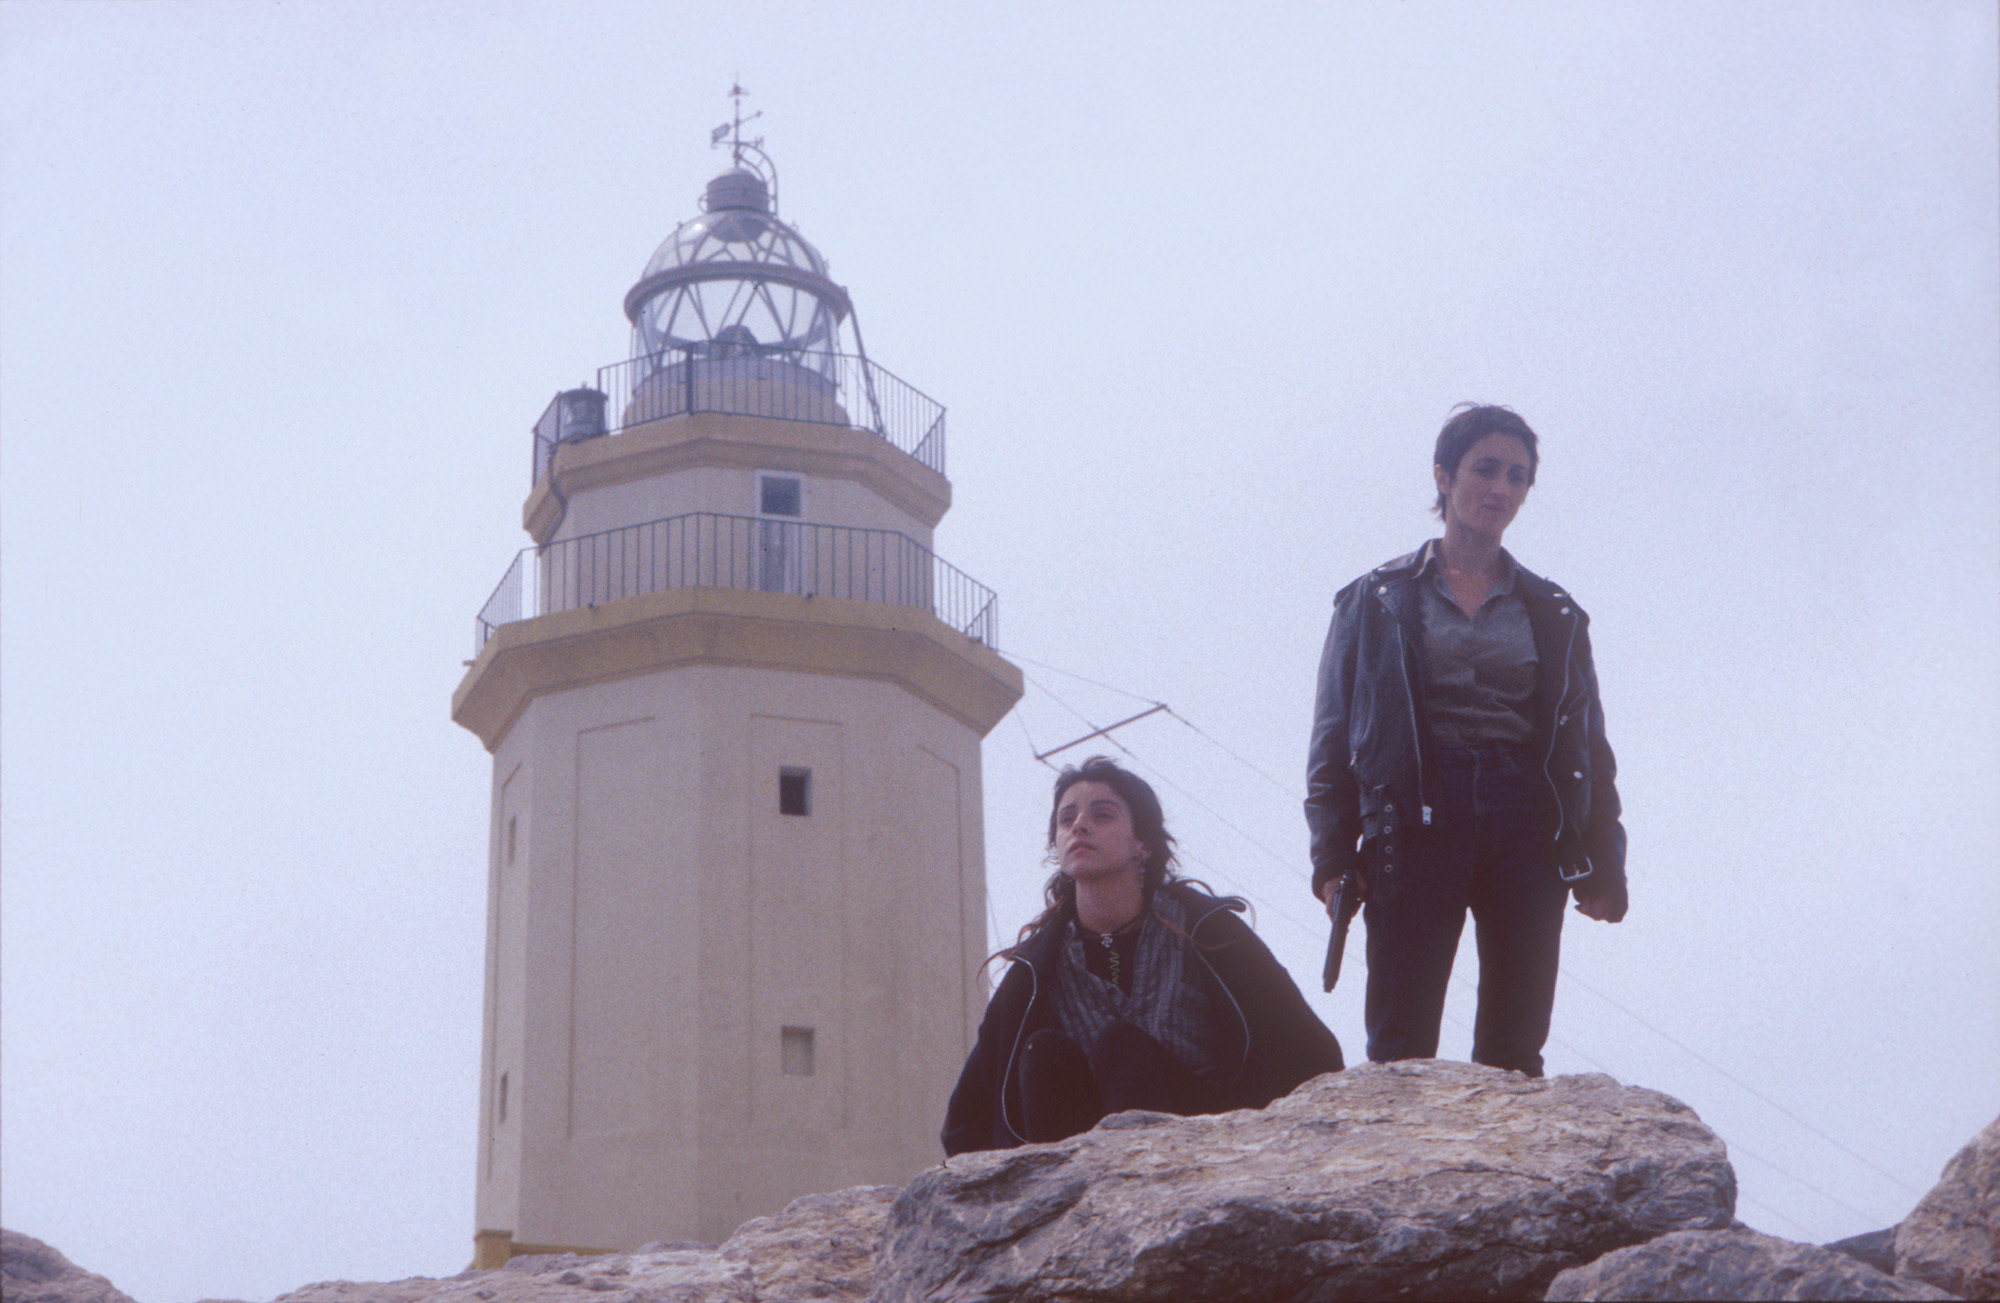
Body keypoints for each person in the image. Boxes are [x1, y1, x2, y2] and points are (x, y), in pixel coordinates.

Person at [1305, 404, 1627, 1079]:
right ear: (1444, 476)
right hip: (1415, 817)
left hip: (1527, 823)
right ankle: (1393, 1179)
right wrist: (1332, 854)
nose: (1500, 489)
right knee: (1400, 1043)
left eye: (1517, 476)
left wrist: (1604, 853)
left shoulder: (1555, 611)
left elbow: (1587, 744)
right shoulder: (1375, 598)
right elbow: (1333, 736)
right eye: (1485, 469)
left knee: (1515, 1046)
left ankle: (1510, 1182)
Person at [942, 756, 1343, 1155]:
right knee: (1043, 1053)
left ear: (1143, 844)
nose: (1080, 825)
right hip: (1078, 1165)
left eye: (1102, 815)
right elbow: (964, 1122)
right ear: (1056, 847)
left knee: (1120, 1047)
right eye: (1067, 819)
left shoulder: (1205, 930)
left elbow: (1312, 1053)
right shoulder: (1035, 968)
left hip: (1206, 1144)